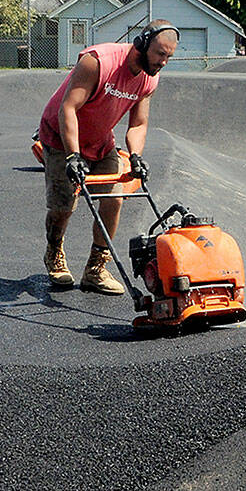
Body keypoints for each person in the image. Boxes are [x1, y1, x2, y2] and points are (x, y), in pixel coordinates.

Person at [38, 19, 179, 294]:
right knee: (64, 205)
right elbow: (68, 108)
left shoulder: (150, 78)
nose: (163, 62)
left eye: (169, 57)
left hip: (101, 140)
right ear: (143, 43)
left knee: (114, 198)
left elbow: (138, 124)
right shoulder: (98, 61)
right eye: (160, 54)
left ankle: (96, 269)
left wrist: (136, 156)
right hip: (61, 135)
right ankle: (54, 251)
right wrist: (73, 156)